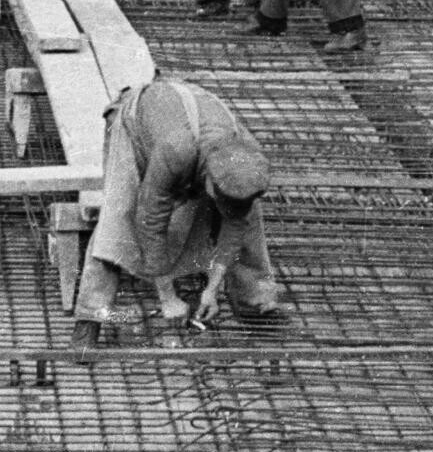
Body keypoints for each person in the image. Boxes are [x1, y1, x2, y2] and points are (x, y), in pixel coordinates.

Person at [72, 77, 284, 345]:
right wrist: (167, 297)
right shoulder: (175, 152)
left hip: (189, 122)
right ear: (208, 180)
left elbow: (235, 227)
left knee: (250, 221)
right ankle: (90, 318)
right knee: (118, 219)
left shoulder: (246, 153)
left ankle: (256, 306)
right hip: (136, 123)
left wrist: (212, 290)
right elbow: (150, 222)